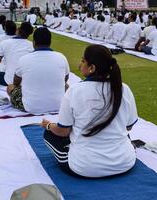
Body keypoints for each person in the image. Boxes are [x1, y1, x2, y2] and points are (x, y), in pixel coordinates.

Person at [41, 44, 138, 178]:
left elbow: (63, 132)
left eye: (83, 61)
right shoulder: (124, 88)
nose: (80, 65)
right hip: (124, 162)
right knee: (121, 133)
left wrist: (48, 125)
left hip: (85, 166)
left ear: (92, 68)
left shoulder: (75, 91)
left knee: (49, 134)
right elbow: (129, 126)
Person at [7, 27, 70, 114]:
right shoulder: (61, 57)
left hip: (30, 107)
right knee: (66, 85)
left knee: (10, 87)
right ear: (50, 42)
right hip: (58, 106)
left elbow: (16, 83)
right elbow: (65, 79)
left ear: (34, 42)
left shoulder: (24, 59)